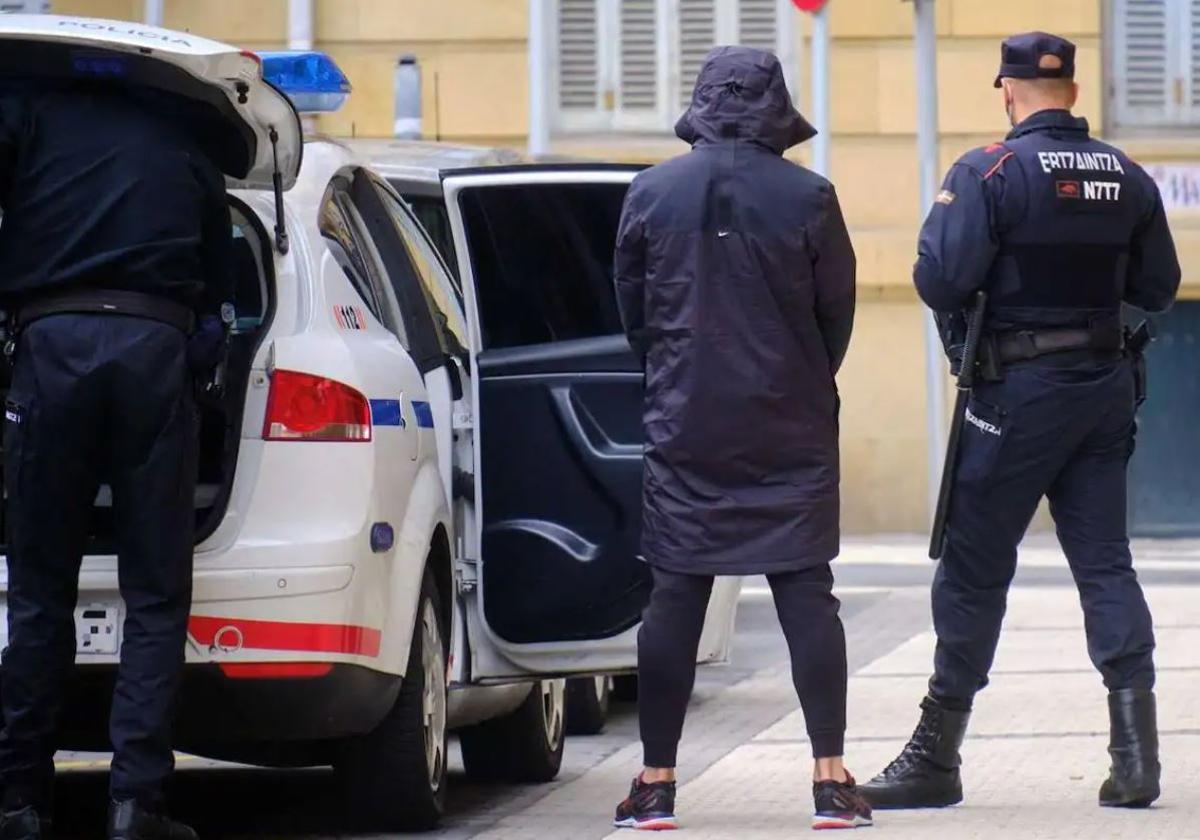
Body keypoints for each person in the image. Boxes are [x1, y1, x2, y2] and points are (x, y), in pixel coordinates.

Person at [860, 32, 1181, 811]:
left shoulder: (988, 171)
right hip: (1103, 387)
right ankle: (1136, 759)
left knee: (974, 566)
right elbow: (1161, 285)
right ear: (1072, 89)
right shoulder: (1127, 174)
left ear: (1007, 89)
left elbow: (941, 280)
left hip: (1018, 391)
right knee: (1105, 564)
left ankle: (937, 755)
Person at [610, 46, 870, 832]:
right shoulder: (810, 196)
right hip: (788, 420)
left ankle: (655, 784)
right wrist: (800, 374)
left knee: (676, 595)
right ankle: (830, 782)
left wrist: (674, 375)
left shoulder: (650, 192)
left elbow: (635, 316)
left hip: (687, 420)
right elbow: (837, 317)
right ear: (774, 105)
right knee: (806, 592)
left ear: (700, 101)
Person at [0, 75, 234, 840]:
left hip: (50, 345)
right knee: (156, 596)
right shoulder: (186, 135)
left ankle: (20, 804)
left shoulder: (31, 113)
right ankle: (137, 806)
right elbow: (218, 271)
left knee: (39, 590)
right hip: (152, 349)